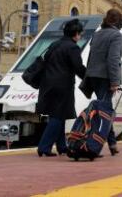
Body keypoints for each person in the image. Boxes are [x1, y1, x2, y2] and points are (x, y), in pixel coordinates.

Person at [37, 19, 86, 157]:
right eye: (80, 34)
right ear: (75, 34)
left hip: (48, 85)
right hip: (62, 86)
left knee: (58, 115)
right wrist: (89, 79)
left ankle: (62, 147)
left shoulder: (54, 45)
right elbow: (78, 67)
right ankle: (44, 147)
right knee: (58, 117)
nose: (80, 36)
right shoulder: (72, 47)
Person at [86, 9, 122, 156]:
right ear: (118, 22)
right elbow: (113, 59)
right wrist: (115, 81)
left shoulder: (96, 34)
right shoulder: (116, 35)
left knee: (104, 110)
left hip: (94, 77)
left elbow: (91, 57)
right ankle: (93, 146)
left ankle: (112, 144)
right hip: (106, 78)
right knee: (104, 112)